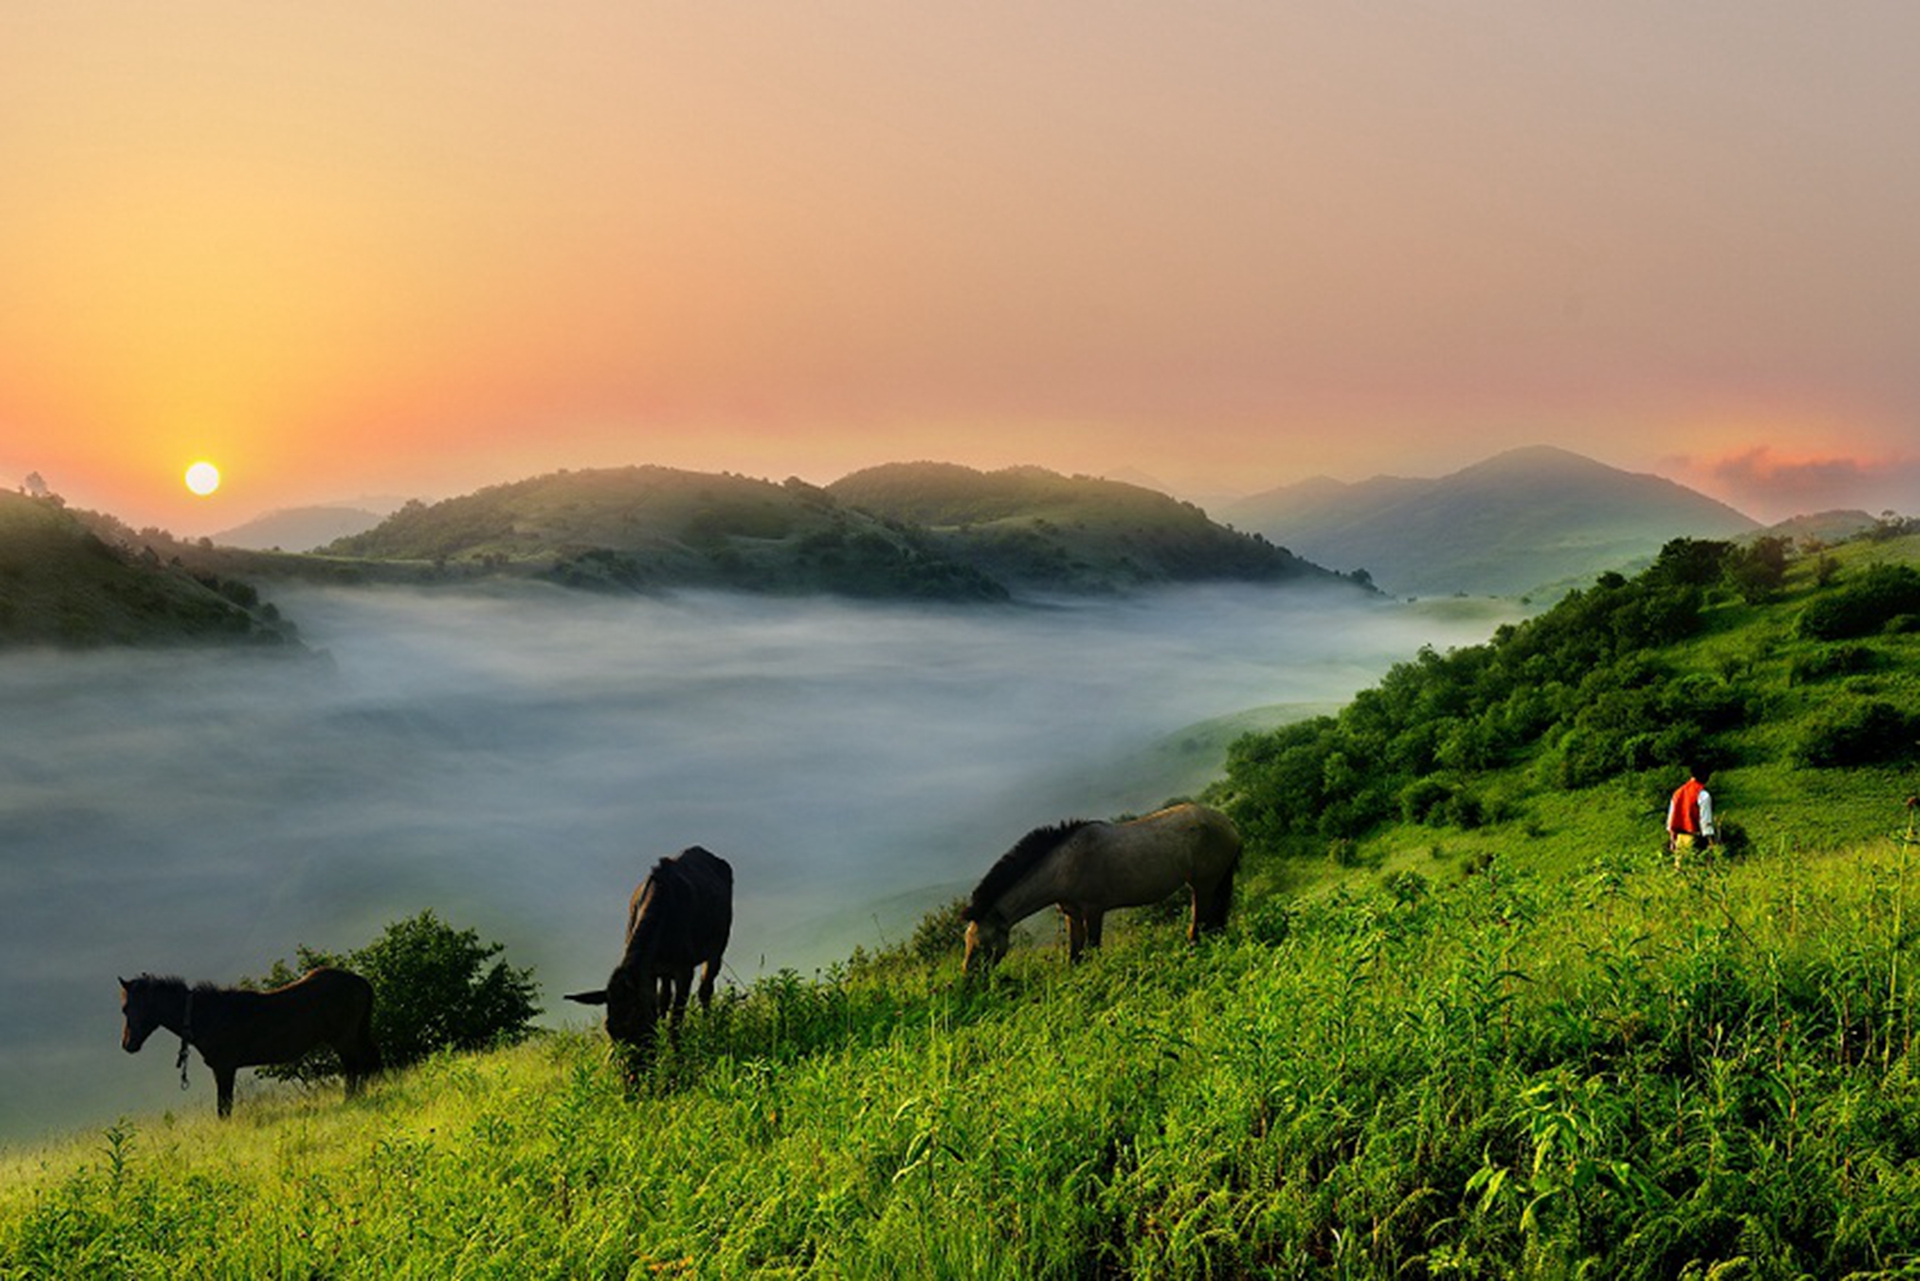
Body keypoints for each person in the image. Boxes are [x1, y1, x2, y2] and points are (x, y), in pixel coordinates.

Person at [1666, 765, 1716, 867]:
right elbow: (1705, 821)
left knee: (1680, 869)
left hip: (1679, 838)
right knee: (1698, 868)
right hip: (1695, 837)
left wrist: (1672, 840)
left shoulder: (1678, 792)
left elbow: (1671, 819)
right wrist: (1711, 841)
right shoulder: (1703, 795)